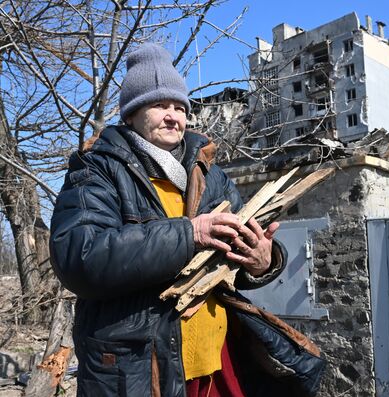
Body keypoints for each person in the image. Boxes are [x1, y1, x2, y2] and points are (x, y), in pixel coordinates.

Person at [49, 43, 288, 397]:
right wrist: (189, 234)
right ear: (131, 114)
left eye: (179, 107)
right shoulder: (96, 169)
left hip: (217, 363)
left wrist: (263, 261)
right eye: (160, 105)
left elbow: (235, 256)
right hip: (139, 370)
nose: (173, 116)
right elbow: (79, 257)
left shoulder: (211, 174)